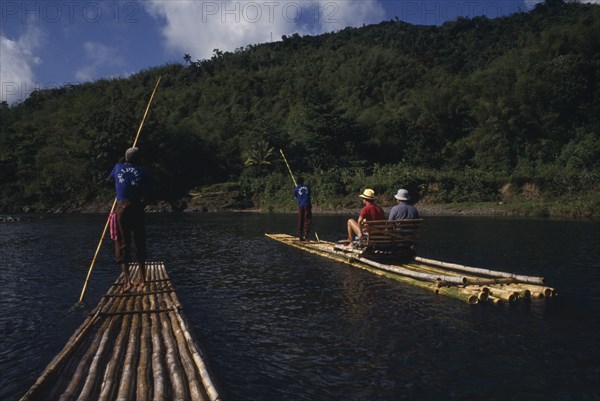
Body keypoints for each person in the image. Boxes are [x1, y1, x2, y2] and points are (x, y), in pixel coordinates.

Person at [108, 147, 151, 292]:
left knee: (122, 242)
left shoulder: (117, 167)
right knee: (139, 240)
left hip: (122, 208)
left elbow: (111, 180)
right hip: (137, 207)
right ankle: (143, 280)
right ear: (138, 159)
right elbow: (148, 189)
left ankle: (127, 281)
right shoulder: (143, 171)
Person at [293, 177, 312, 241]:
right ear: (303, 182)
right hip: (307, 205)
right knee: (307, 220)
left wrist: (296, 189)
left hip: (301, 205)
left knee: (301, 220)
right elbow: (309, 194)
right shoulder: (307, 187)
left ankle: (300, 235)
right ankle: (306, 235)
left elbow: (295, 196)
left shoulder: (296, 189)